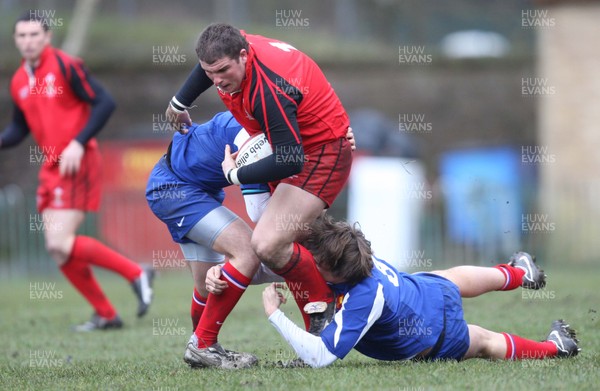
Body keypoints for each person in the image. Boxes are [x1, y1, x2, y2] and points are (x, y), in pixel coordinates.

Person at [165, 23, 353, 364]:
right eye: (211, 73)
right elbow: (211, 64)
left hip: (320, 153)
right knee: (278, 244)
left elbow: (291, 157)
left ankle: (322, 324)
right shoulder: (232, 46)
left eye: (223, 71)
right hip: (291, 147)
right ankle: (324, 320)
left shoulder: (267, 90)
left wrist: (236, 173)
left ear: (243, 55)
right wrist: (180, 100)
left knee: (266, 243)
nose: (217, 80)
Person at [147, 111, 356, 369]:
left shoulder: (274, 123)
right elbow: (262, 216)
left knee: (206, 285)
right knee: (252, 249)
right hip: (176, 189)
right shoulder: (255, 140)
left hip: (189, 185)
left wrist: (338, 139)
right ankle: (204, 345)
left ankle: (203, 349)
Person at [254, 215, 581, 367]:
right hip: (425, 290)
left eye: (317, 261)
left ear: (335, 271)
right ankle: (520, 273)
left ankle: (555, 348)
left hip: (433, 333)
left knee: (484, 341)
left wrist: (274, 314)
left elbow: (320, 356)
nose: (311, 260)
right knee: (451, 277)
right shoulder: (357, 253)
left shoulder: (362, 298)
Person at [0, 11, 154, 331]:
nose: (28, 41)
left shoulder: (65, 66)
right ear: (15, 40)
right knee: (59, 251)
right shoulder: (18, 81)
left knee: (58, 242)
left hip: (77, 161)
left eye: (34, 35)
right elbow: (17, 128)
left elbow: (105, 102)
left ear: (47, 37)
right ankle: (107, 314)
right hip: (51, 166)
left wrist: (78, 142)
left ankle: (136, 272)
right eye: (22, 36)